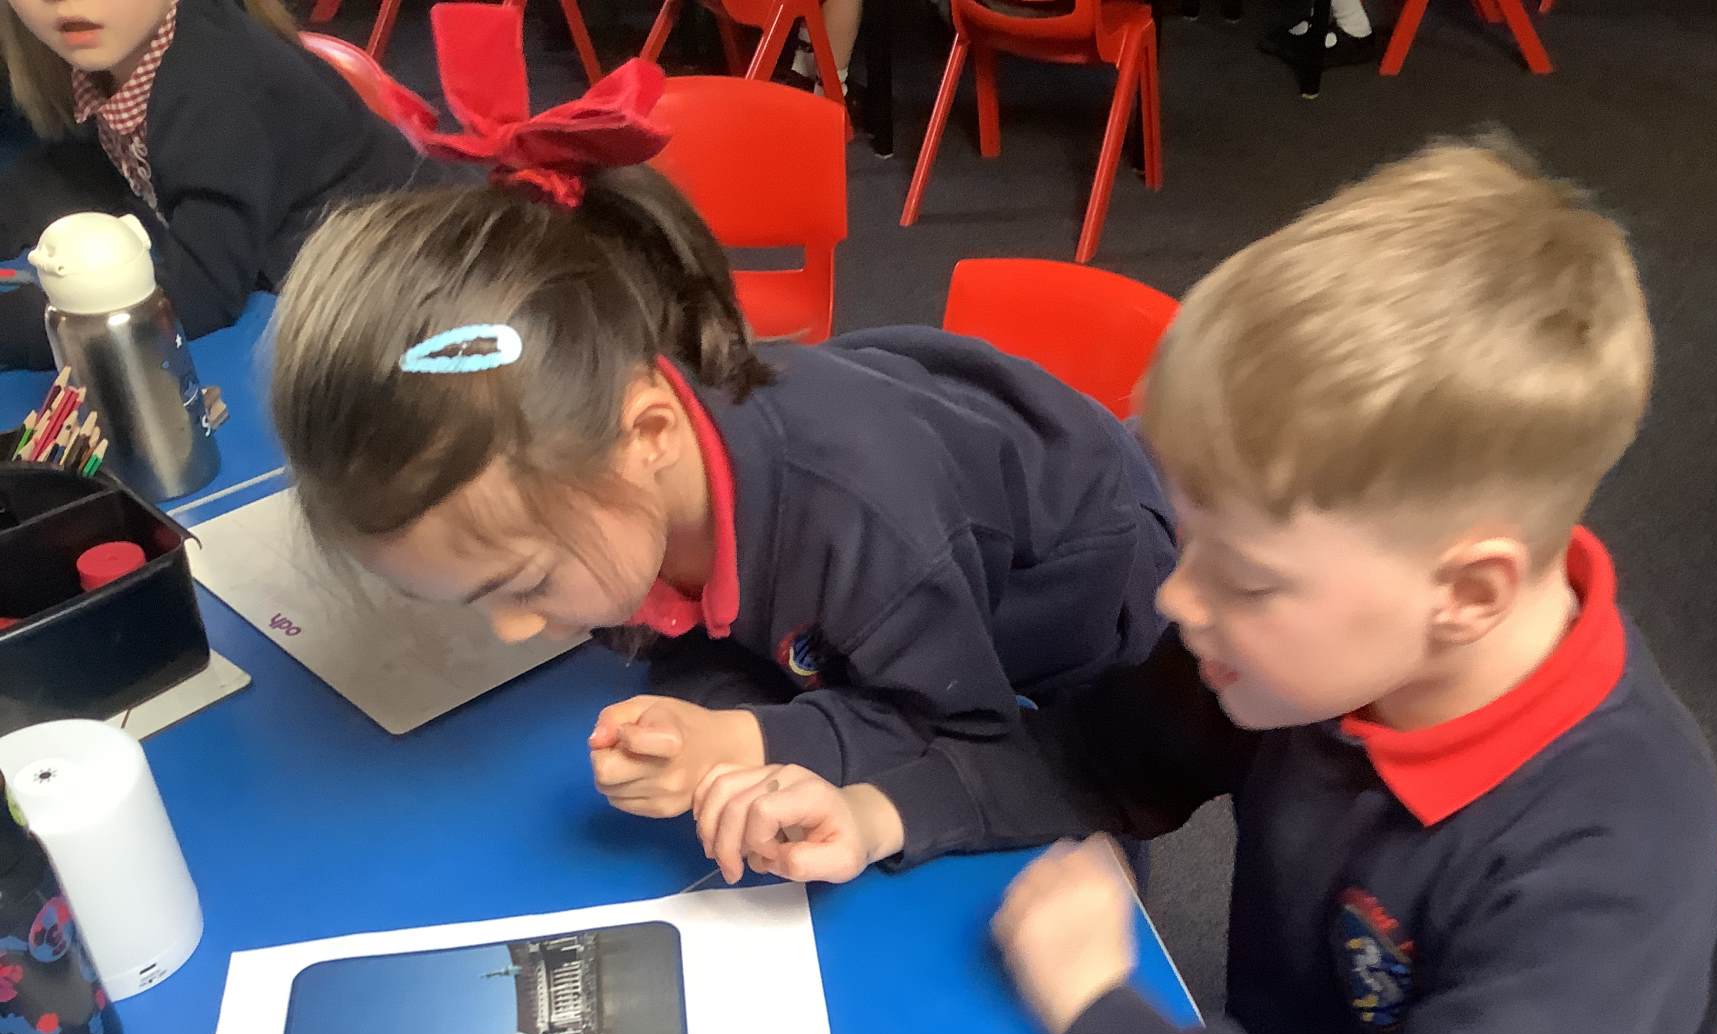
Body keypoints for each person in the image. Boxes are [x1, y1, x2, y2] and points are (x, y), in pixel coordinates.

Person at [686, 137, 1717, 1034]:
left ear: (1468, 594)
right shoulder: (1315, 650)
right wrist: (884, 811)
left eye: (1242, 576)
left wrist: (1099, 1010)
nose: (1177, 599)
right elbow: (1098, 757)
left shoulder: (1612, 864)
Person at [267, 8, 1175, 827]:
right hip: (912, 543)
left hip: (1083, 586)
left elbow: (968, 733)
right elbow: (700, 627)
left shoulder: (861, 523)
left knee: (1086, 784)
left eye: (524, 583)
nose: (511, 629)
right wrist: (703, 717)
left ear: (650, 435)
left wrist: (747, 741)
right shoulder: (601, 471)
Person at [0, 0, 435, 369]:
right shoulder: (124, 56)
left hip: (414, 302)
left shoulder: (217, 79)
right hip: (323, 291)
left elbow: (198, 295)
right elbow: (75, 168)